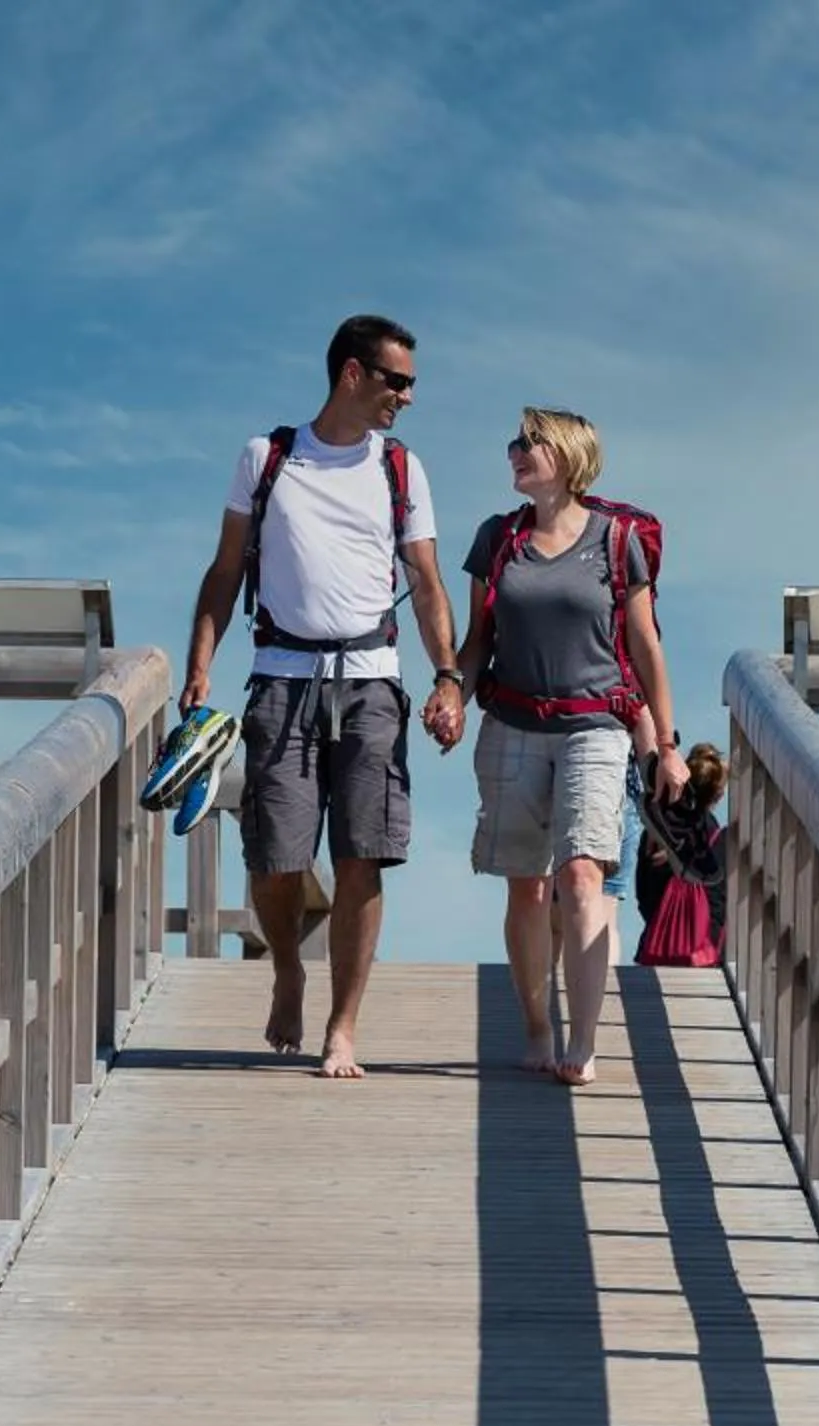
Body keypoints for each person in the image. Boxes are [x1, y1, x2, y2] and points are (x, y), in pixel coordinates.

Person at [180, 315, 464, 1080]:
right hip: (281, 675)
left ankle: (343, 1026)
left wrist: (448, 678)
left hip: (371, 679)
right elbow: (225, 568)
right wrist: (200, 662)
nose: (405, 397)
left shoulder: (402, 468)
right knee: (275, 858)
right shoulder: (267, 458)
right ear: (351, 373)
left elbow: (427, 582)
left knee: (362, 855)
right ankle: (287, 970)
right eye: (395, 381)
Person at [454, 407, 678, 1085]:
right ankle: (536, 1025)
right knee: (526, 887)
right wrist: (449, 698)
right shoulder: (497, 539)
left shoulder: (615, 541)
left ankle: (583, 1039)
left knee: (582, 874)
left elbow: (644, 645)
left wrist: (665, 743)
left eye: (531, 442)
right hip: (514, 723)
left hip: (595, 727)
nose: (515, 451)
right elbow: (478, 645)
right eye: (514, 442)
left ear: (569, 456)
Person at [633, 743, 729, 968]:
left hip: (657, 947)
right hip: (705, 953)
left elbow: (643, 894)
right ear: (719, 794)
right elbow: (720, 905)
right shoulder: (721, 840)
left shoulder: (657, 832)